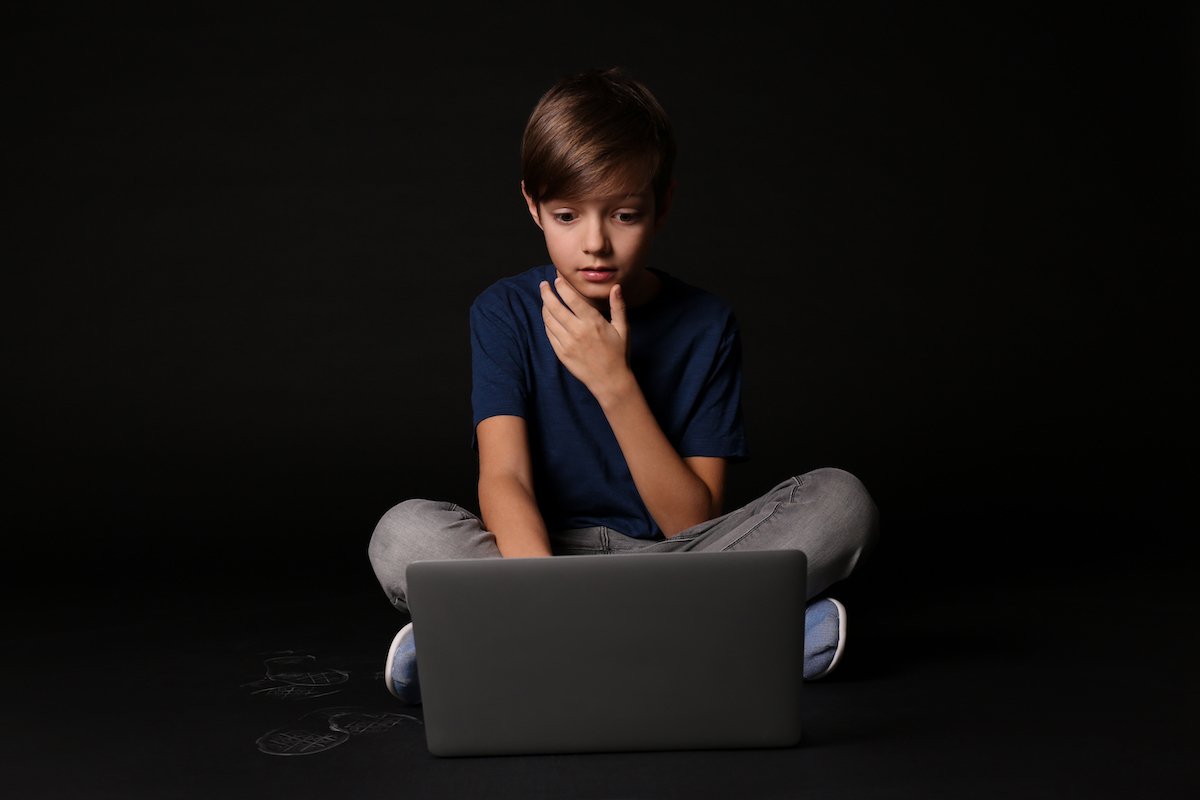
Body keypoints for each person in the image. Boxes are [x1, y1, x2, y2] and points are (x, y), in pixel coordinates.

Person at [368, 66, 880, 704]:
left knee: (842, 501)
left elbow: (689, 520)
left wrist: (615, 384)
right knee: (403, 533)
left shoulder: (705, 324)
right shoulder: (502, 312)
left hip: (682, 560)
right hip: (539, 559)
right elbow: (505, 480)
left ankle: (488, 645)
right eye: (566, 215)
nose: (595, 243)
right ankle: (744, 640)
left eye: (625, 214)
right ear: (532, 206)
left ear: (663, 206)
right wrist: (541, 592)